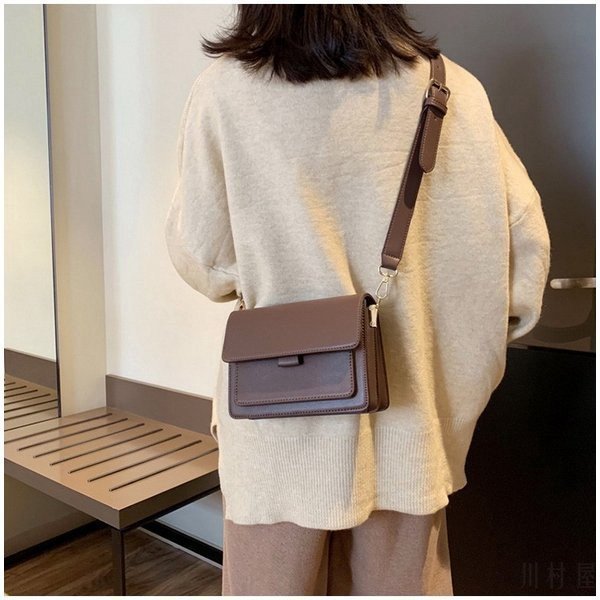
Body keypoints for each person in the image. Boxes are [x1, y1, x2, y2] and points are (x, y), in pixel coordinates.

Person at [164, 5, 551, 596]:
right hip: (414, 437)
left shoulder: (225, 92)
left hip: (277, 433)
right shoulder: (456, 91)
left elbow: (204, 260)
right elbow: (523, 267)